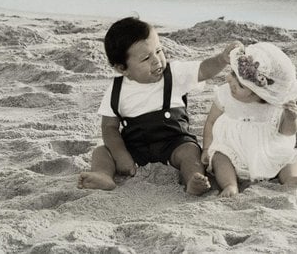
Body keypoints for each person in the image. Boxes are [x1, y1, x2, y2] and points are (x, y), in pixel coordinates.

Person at [78, 17, 242, 195]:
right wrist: (121, 155)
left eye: (159, 50)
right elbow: (109, 127)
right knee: (101, 152)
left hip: (174, 142)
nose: (157, 60)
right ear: (122, 69)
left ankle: (193, 180)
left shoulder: (174, 74)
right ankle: (103, 175)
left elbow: (203, 70)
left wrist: (221, 59)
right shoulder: (116, 90)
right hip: (135, 147)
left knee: (191, 152)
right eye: (146, 58)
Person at [201, 42, 297, 197]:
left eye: (240, 85)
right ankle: (230, 185)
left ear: (260, 95)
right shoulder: (225, 95)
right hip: (233, 147)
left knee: (288, 157)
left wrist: (291, 118)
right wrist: (207, 148)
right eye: (233, 73)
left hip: (268, 148)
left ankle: (290, 177)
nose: (229, 80)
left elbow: (287, 132)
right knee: (220, 158)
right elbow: (211, 121)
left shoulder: (275, 106)